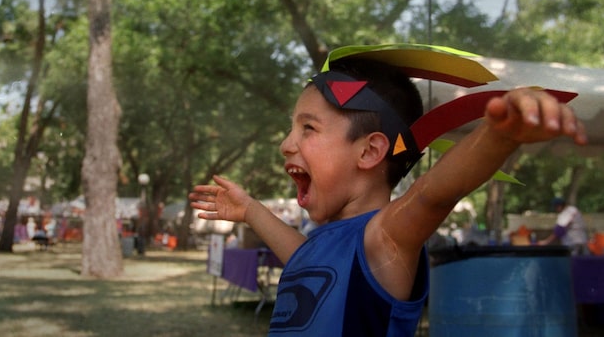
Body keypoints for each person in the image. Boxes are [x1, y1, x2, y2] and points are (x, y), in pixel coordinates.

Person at [188, 44, 587, 336]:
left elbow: (433, 194)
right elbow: (303, 259)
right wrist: (251, 210)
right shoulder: (321, 244)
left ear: (370, 150)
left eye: (308, 128)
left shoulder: (385, 238)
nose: (286, 144)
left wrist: (499, 136)